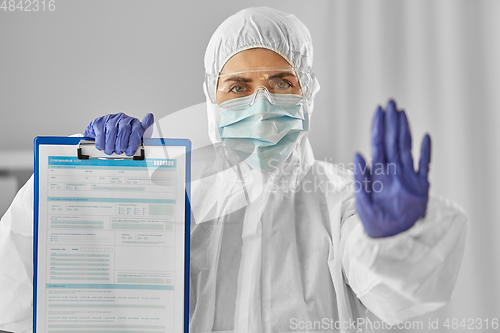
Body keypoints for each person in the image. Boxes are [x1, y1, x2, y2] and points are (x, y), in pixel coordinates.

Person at [0, 7, 468, 333]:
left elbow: (397, 295)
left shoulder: (344, 198)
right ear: (212, 100)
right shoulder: (170, 195)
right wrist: (80, 181)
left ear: (307, 92)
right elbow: (13, 301)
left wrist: (395, 239)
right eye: (238, 86)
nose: (261, 102)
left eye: (281, 81)